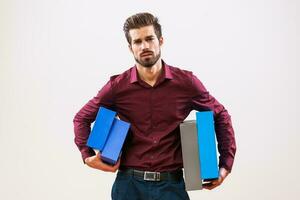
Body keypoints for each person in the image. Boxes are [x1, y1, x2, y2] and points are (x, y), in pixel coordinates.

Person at [73, 12, 236, 200]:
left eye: (149, 39)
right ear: (130, 48)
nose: (144, 46)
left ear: (160, 40)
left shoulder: (186, 83)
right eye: (137, 41)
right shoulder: (117, 87)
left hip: (171, 186)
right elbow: (81, 118)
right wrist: (87, 155)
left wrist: (225, 165)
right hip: (128, 186)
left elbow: (221, 115)